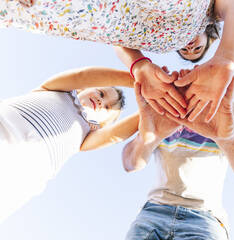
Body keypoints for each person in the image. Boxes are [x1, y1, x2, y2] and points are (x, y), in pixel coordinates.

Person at [0, 0, 234, 120]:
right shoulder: (210, 8)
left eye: (185, 51)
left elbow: (118, 37)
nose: (189, 47)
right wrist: (224, 59)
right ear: (211, 35)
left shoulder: (160, 42)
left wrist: (139, 65)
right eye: (197, 49)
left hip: (73, 8)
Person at [122, 79, 234, 239]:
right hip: (154, 212)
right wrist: (149, 138)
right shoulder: (161, 124)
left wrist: (230, 139)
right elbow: (130, 163)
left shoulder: (221, 127)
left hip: (204, 218)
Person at [0, 66, 138, 223]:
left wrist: (151, 105)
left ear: (104, 122)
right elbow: (82, 76)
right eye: (101, 93)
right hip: (5, 126)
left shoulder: (87, 135)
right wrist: (139, 81)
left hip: (23, 175)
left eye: (107, 108)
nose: (101, 101)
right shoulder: (59, 90)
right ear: (83, 88)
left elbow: (114, 135)